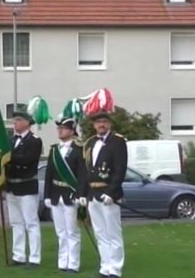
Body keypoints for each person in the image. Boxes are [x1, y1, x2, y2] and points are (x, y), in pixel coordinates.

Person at [78, 112, 128, 278]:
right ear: (93, 125)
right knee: (100, 233)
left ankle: (115, 268)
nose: (101, 124)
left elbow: (120, 170)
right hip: (93, 193)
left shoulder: (118, 142)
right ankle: (105, 266)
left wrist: (111, 192)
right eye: (98, 122)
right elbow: (86, 170)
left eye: (104, 122)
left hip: (108, 194)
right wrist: (83, 193)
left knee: (113, 232)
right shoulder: (90, 142)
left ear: (109, 124)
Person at [43, 117, 86, 274]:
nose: (60, 131)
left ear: (72, 130)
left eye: (64, 128)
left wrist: (80, 193)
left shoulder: (79, 149)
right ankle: (63, 261)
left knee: (72, 231)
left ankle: (73, 263)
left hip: (71, 195)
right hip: (55, 194)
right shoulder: (54, 150)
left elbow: (82, 174)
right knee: (60, 231)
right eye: (59, 128)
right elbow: (49, 174)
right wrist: (47, 195)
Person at [6, 111, 43, 268]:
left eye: (19, 120)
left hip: (26, 185)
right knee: (16, 223)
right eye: (15, 120)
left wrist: (8, 156)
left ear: (27, 122)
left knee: (31, 223)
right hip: (12, 185)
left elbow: (27, 160)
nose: (15, 123)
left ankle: (34, 257)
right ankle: (19, 255)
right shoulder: (11, 140)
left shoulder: (34, 141)